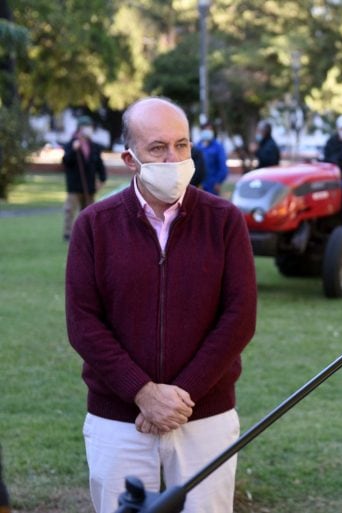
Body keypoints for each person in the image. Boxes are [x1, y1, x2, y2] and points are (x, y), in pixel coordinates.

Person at [65, 97, 257, 513]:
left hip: (204, 414)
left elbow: (239, 317)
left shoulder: (224, 220)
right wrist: (142, 392)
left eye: (182, 145)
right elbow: (83, 323)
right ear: (129, 158)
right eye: (158, 148)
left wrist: (179, 395)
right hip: (118, 417)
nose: (173, 158)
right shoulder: (93, 226)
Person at [61, 115, 107, 241]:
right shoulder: (71, 144)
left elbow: (99, 164)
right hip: (75, 185)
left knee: (89, 211)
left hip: (89, 185)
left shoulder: (94, 146)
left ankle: (87, 232)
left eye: (89, 127)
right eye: (86, 127)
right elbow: (66, 162)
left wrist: (102, 178)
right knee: (70, 210)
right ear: (79, 129)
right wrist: (73, 150)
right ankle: (68, 233)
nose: (89, 129)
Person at [195, 122, 229, 195]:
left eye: (209, 129)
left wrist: (218, 182)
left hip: (213, 186)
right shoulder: (197, 146)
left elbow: (223, 167)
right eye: (205, 129)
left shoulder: (218, 147)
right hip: (199, 186)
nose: (207, 131)